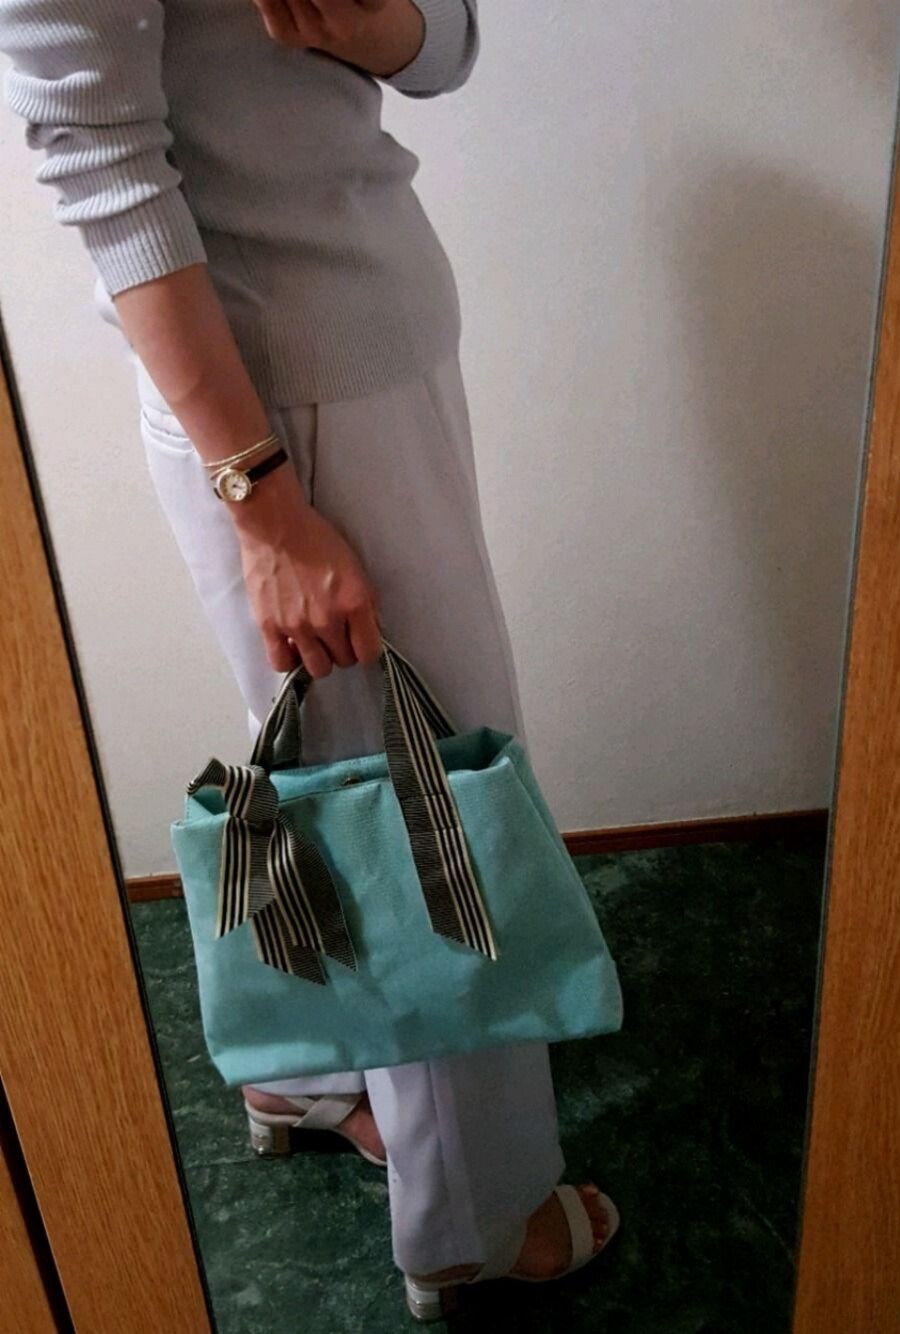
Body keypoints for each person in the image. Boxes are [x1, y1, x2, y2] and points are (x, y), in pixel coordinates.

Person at [0, 0, 619, 1317]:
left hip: (351, 363)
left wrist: (371, 20)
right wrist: (268, 504)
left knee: (343, 775)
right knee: (420, 800)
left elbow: (445, 47)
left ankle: (311, 1072)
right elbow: (98, 159)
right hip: (287, 406)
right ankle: (475, 1218)